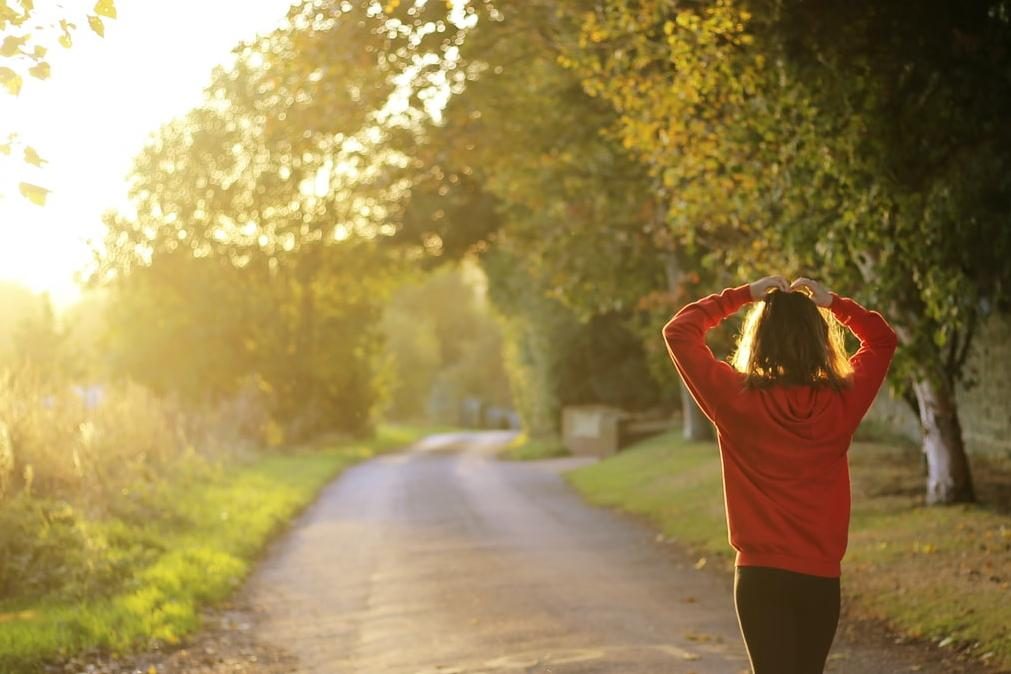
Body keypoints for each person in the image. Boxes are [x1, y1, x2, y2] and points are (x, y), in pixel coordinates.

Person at [662, 275, 898, 674]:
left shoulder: (734, 398)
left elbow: (679, 332)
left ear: (759, 339)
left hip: (759, 576)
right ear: (819, 340)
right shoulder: (841, 400)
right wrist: (833, 303)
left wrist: (743, 295)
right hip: (820, 577)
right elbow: (882, 340)